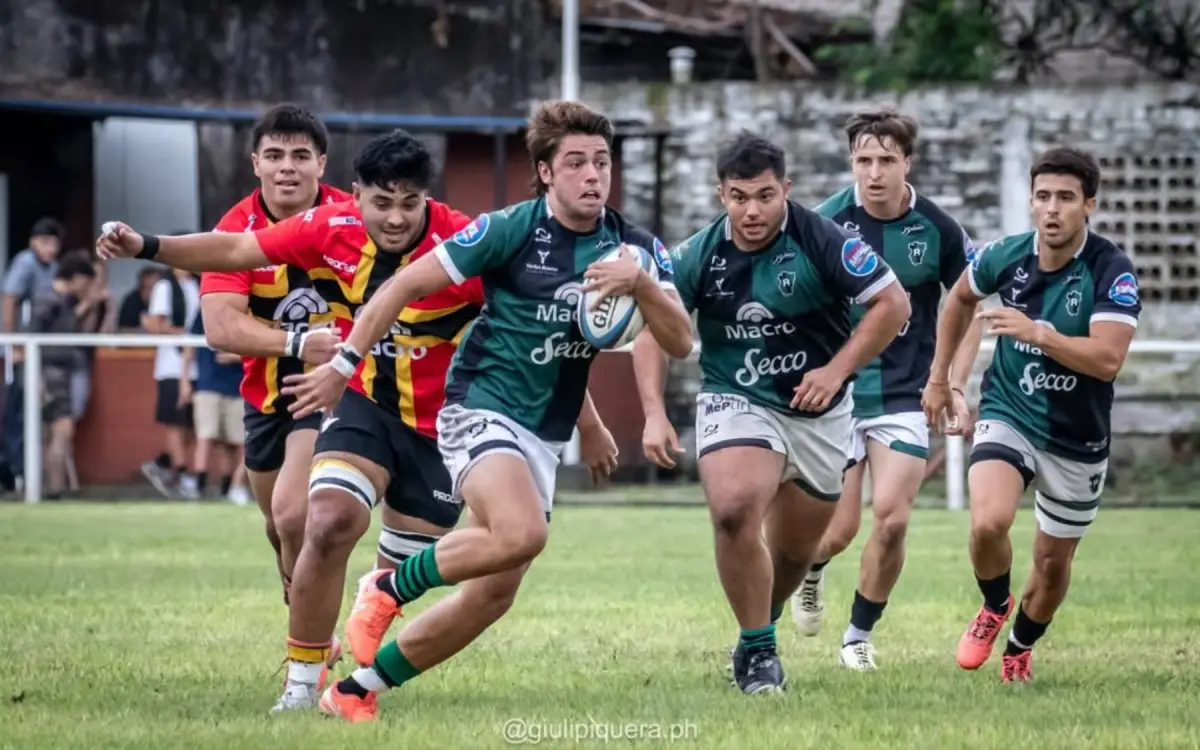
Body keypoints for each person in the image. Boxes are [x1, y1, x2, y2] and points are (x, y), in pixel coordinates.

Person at [96, 125, 625, 715]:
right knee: (325, 521)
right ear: (354, 195)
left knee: (397, 577)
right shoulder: (331, 227)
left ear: (429, 198)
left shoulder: (465, 243)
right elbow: (236, 251)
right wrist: (146, 245)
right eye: (381, 203)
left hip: (444, 430)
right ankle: (300, 684)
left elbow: (537, 340)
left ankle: (356, 681)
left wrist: (590, 422)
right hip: (366, 402)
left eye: (409, 203)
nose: (395, 219)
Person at [276, 99, 692, 722]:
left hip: (544, 436)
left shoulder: (635, 249)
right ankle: (388, 586)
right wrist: (342, 365)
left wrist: (643, 286)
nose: (592, 175)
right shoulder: (509, 230)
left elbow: (680, 340)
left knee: (495, 592)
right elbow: (399, 286)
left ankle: (359, 690)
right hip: (480, 408)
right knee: (524, 533)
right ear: (546, 172)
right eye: (575, 162)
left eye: (601, 162)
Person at [634, 131, 910, 694]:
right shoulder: (697, 254)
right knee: (734, 511)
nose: (751, 210)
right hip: (735, 397)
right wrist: (653, 412)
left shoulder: (823, 239)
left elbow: (892, 304)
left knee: (792, 553)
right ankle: (762, 656)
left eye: (764, 196)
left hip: (821, 414)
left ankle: (755, 635)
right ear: (721, 195)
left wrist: (836, 371)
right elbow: (654, 328)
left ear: (785, 189)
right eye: (738, 197)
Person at [921, 146, 1141, 683]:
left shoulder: (1112, 270)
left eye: (1066, 198)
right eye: (1042, 196)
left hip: (1077, 438)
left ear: (1089, 204)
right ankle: (995, 605)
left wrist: (1039, 332)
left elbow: (1108, 360)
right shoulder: (1005, 255)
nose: (1052, 209)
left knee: (1050, 567)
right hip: (1009, 412)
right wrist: (942, 378)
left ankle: (1020, 643)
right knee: (988, 521)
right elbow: (958, 300)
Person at [789, 109, 983, 670]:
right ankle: (813, 570)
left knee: (893, 518)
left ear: (908, 163)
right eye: (863, 161)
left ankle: (856, 638)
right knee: (837, 531)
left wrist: (951, 382)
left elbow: (970, 306)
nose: (874, 173)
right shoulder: (823, 223)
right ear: (851, 162)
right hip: (839, 395)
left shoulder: (938, 229)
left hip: (907, 394)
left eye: (886, 160)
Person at [197, 104, 349, 604]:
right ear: (255, 163)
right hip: (265, 397)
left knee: (293, 514)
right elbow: (219, 327)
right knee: (276, 524)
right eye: (275, 155)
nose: (288, 166)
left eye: (301, 155)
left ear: (322, 164)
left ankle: (309, 647)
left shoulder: (353, 217)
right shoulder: (233, 228)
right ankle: (301, 598)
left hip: (336, 389)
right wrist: (296, 343)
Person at [1, 216, 64, 489]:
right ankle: (14, 469)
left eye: (53, 243)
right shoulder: (26, 263)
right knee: (17, 409)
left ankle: (22, 470)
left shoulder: (54, 268)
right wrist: (14, 343)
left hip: (42, 349)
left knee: (32, 410)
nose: (49, 248)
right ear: (33, 242)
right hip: (23, 347)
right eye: (44, 242)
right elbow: (10, 299)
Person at [26, 255, 96, 498]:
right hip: (49, 372)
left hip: (57, 371)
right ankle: (52, 488)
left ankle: (49, 488)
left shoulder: (64, 301)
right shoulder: (47, 299)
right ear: (76, 278)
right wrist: (37, 378)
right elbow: (34, 339)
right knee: (61, 430)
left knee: (53, 432)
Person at [178, 311, 252, 504]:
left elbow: (260, 348)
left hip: (240, 387)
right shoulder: (203, 311)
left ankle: (234, 487)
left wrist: (238, 356)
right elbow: (190, 346)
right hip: (208, 385)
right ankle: (198, 486)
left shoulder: (250, 310)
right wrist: (184, 382)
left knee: (241, 443)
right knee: (206, 436)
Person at [140, 265, 200, 496]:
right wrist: (185, 335)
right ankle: (183, 474)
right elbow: (155, 324)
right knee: (176, 423)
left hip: (197, 365)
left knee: (192, 427)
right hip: (172, 365)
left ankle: (163, 464)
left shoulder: (197, 284)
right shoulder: (164, 287)